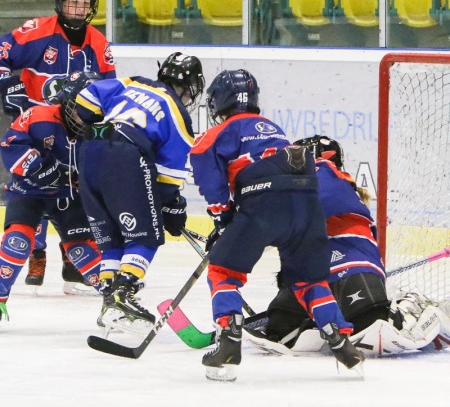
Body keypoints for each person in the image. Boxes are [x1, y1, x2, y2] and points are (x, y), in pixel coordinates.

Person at [189, 70, 365, 382]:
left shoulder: (220, 132)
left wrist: (222, 218)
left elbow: (204, 163)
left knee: (223, 271)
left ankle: (229, 343)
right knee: (309, 280)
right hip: (307, 203)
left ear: (218, 102)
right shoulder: (273, 129)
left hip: (263, 204)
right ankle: (342, 343)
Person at [243, 135, 450, 356]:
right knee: (280, 329)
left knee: (371, 323)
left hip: (350, 269)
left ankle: (416, 313)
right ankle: (313, 324)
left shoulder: (326, 172)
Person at [0, 0, 116, 293]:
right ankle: (37, 253)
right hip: (35, 129)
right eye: (72, 2)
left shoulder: (99, 44)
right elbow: (2, 53)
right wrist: (7, 84)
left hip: (74, 135)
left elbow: (109, 92)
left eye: (84, 3)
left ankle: (71, 258)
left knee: (72, 198)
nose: (78, 9)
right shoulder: (36, 32)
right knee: (31, 192)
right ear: (59, 1)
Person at [73, 52, 205, 335]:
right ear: (192, 86)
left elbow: (84, 101)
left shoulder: (133, 83)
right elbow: (167, 184)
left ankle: (110, 302)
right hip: (126, 158)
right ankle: (122, 296)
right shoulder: (179, 117)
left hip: (88, 154)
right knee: (144, 235)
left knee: (113, 238)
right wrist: (171, 208)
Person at [0, 71, 104, 323]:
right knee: (18, 240)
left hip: (69, 194)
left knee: (82, 249)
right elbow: (10, 146)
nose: (86, 116)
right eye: (81, 109)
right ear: (67, 102)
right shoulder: (38, 116)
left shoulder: (101, 128)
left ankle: (116, 302)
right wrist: (41, 167)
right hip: (30, 190)